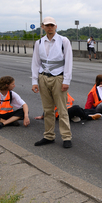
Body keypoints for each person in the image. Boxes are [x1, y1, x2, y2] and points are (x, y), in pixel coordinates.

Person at [31, 16, 74, 148]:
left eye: (52, 25)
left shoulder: (63, 41)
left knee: (62, 109)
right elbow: (35, 62)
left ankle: (66, 137)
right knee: (47, 109)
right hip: (43, 77)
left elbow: (68, 62)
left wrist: (66, 80)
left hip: (58, 78)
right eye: (47, 25)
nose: (49, 27)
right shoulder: (39, 43)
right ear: (43, 27)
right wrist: (34, 81)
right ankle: (48, 136)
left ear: (56, 27)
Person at [35, 93, 102, 122]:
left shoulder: (64, 92)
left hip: (67, 110)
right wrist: (42, 116)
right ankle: (88, 117)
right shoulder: (54, 94)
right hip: (60, 114)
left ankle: (97, 112)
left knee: (83, 110)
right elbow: (48, 107)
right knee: (76, 108)